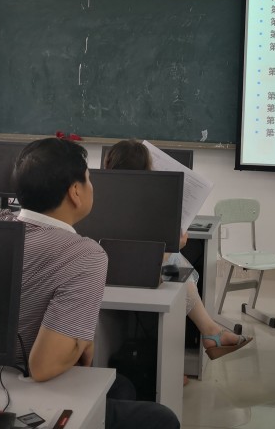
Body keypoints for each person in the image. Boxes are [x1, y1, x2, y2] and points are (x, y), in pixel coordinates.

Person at [0, 137, 179, 429]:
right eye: (88, 179)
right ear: (75, 192)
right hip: (20, 389)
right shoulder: (84, 255)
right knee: (163, 419)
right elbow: (44, 366)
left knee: (121, 386)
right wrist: (83, 339)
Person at [103, 140, 253, 377]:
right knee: (177, 269)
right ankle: (207, 334)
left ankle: (206, 334)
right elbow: (140, 258)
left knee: (179, 270)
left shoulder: (106, 196)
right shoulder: (140, 205)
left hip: (121, 271)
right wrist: (175, 245)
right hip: (123, 275)